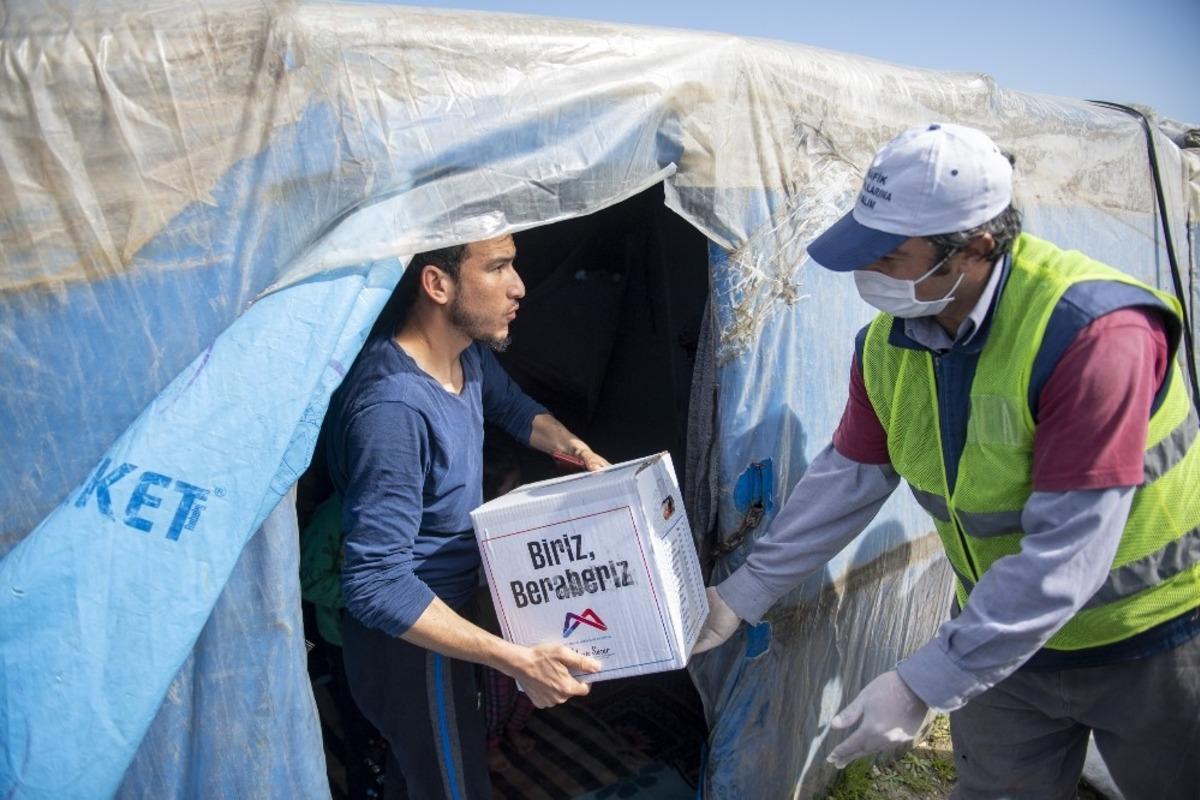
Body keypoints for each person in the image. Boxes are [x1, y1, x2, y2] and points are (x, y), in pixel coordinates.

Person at [692, 123, 1200, 798]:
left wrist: (919, 682)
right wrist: (741, 593)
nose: (867, 273)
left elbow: (1067, 554)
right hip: (1004, 645)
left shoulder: (1091, 332)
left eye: (889, 256)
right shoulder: (887, 347)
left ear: (975, 248)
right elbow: (848, 479)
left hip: (1153, 642)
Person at [323, 234, 611, 799]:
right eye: (498, 267)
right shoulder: (394, 409)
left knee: (420, 778)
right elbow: (373, 582)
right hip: (412, 639)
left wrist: (576, 452)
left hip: (449, 616)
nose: (519, 287)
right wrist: (518, 661)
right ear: (437, 284)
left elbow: (513, 409)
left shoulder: (466, 354)